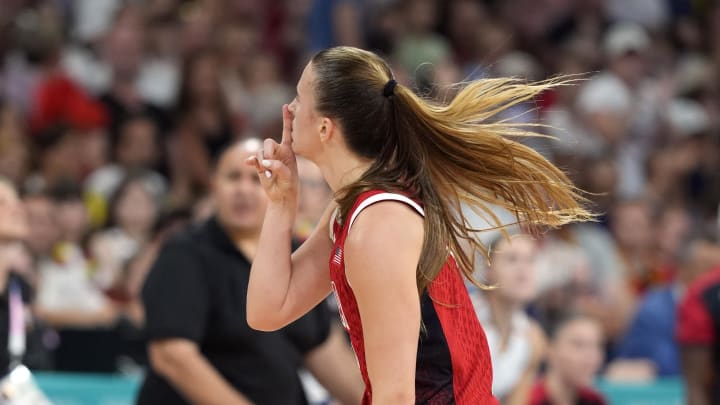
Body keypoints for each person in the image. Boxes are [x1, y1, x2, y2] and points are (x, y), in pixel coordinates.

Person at [245, 46, 592, 404]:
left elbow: (396, 396)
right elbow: (269, 310)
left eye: (299, 97)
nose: (289, 109)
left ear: (324, 127)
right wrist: (281, 203)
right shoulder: (351, 208)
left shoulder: (379, 225)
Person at [138, 138, 362, 405]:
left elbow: (324, 351)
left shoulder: (295, 254)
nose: (243, 190)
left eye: (256, 179)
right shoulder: (184, 253)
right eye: (233, 177)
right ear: (213, 186)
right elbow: (172, 356)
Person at [470, 233, 546, 404]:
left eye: (531, 260)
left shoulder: (534, 338)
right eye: (512, 259)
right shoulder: (464, 319)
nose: (523, 269)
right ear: (488, 270)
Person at [529, 314, 607, 405]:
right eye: (579, 345)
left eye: (598, 345)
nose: (591, 356)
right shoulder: (528, 399)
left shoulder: (595, 400)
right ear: (550, 349)